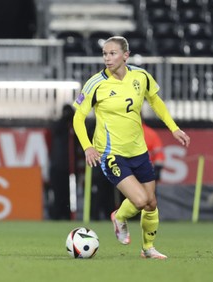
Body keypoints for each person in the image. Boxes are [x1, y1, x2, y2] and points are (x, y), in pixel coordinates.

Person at [72, 36, 190, 259]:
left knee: (151, 203)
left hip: (139, 151)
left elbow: (155, 101)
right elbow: (78, 118)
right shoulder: (95, 83)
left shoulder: (141, 76)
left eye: (112, 53)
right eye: (105, 54)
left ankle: (148, 248)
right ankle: (118, 217)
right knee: (139, 200)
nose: (107, 58)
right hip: (111, 154)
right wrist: (87, 147)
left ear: (125, 55)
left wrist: (174, 128)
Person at [48, 104, 76, 220]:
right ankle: (57, 215)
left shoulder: (74, 127)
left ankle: (67, 214)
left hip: (70, 167)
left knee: (68, 194)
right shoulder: (60, 126)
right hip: (58, 166)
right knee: (58, 193)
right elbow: (54, 129)